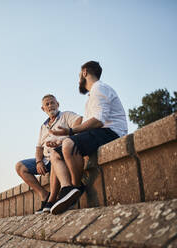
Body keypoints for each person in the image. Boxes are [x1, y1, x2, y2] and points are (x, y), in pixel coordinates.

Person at [48, 61, 128, 215]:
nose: (79, 79)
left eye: (79, 75)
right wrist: (60, 138)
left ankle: (76, 187)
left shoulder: (100, 87)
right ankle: (67, 189)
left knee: (68, 145)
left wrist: (70, 132)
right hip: (98, 132)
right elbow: (84, 128)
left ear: (84, 72)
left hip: (110, 132)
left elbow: (98, 121)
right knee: (55, 153)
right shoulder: (92, 96)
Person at [15, 94, 82, 214]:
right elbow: (39, 147)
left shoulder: (66, 115)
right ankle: (44, 195)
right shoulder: (43, 126)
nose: (50, 106)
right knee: (20, 166)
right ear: (43, 109)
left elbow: (79, 121)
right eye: (47, 104)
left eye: (52, 103)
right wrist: (39, 161)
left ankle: (51, 201)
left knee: (53, 155)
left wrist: (63, 140)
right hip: (45, 159)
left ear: (58, 104)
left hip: (60, 154)